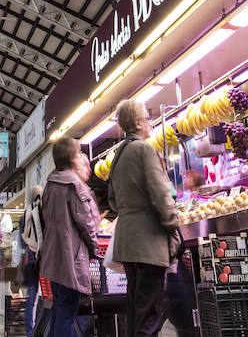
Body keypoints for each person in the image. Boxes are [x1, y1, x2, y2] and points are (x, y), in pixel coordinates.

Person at [108, 100, 182, 337]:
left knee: (136, 309)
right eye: (147, 118)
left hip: (128, 241)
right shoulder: (145, 149)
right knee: (150, 312)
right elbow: (161, 193)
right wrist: (173, 224)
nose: (150, 123)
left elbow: (112, 200)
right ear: (138, 123)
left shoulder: (118, 155)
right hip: (148, 241)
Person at [40, 137, 100, 337]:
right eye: (78, 153)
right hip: (70, 260)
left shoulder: (50, 184)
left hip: (54, 259)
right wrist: (94, 247)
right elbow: (87, 223)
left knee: (58, 310)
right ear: (72, 158)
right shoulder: (74, 184)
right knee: (66, 313)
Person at [20, 186, 43, 337]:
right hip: (40, 257)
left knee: (31, 296)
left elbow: (22, 238)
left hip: (29, 257)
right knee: (47, 294)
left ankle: (30, 331)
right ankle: (42, 327)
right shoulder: (40, 211)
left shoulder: (25, 212)